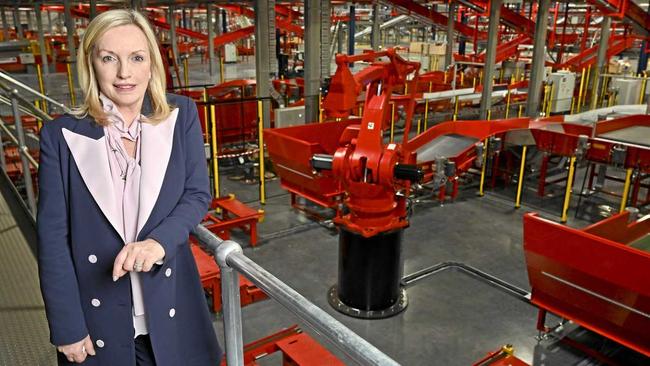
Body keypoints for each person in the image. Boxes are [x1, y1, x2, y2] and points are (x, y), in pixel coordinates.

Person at [37, 9, 221, 365]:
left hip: (170, 305)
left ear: (151, 63)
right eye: (109, 58)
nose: (125, 73)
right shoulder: (60, 137)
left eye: (137, 58)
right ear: (91, 64)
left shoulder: (181, 115)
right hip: (98, 319)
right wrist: (67, 327)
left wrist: (159, 241)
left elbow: (197, 193)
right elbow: (53, 239)